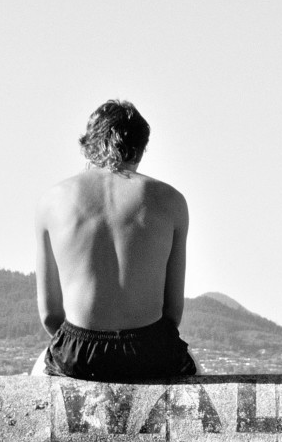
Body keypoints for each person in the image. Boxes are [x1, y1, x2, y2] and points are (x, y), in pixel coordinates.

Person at [32, 100, 197, 381]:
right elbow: (172, 314)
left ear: (88, 144)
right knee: (195, 372)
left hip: (79, 351)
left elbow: (50, 316)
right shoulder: (171, 201)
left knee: (39, 374)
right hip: (151, 349)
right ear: (141, 148)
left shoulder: (52, 200)